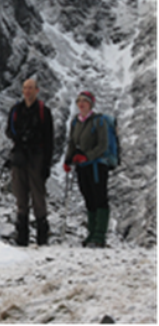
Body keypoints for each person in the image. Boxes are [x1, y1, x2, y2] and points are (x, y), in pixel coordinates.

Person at [6, 79, 54, 247]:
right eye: (25, 88)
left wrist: (46, 164)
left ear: (37, 90)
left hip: (36, 157)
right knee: (20, 195)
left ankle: (41, 236)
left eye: (30, 88)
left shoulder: (44, 112)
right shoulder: (16, 110)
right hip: (20, 157)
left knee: (37, 195)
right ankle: (23, 236)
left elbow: (49, 139)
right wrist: (20, 138)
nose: (27, 91)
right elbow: (9, 130)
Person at [63, 91, 110, 248]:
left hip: (97, 166)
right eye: (79, 101)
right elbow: (72, 143)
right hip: (82, 167)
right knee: (88, 198)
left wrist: (87, 156)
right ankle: (92, 234)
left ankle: (99, 235)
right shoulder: (75, 122)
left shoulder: (99, 121)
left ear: (91, 104)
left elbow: (103, 145)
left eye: (85, 101)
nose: (81, 103)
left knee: (99, 197)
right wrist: (68, 160)